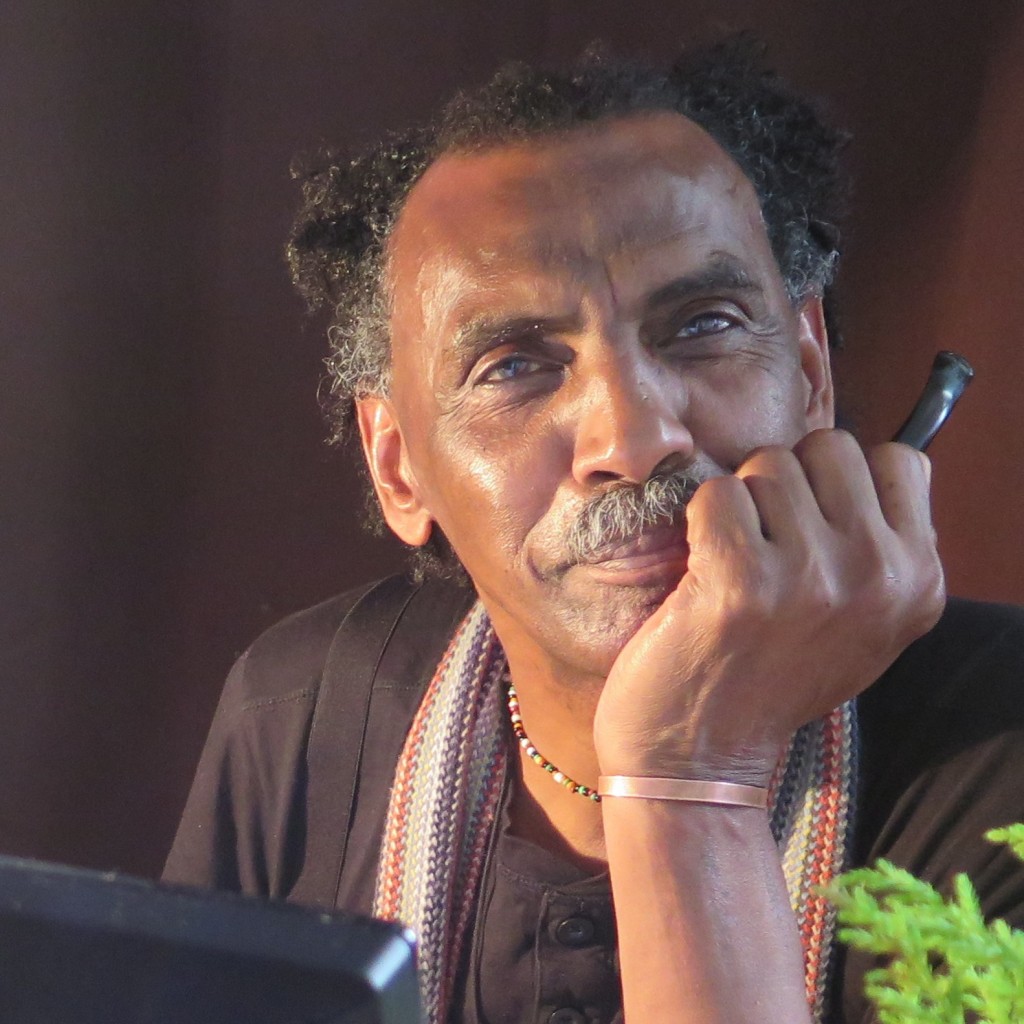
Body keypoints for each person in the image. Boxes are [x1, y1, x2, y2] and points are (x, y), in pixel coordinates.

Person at [164, 40, 1024, 1023]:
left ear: (810, 374)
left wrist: (690, 773)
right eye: (514, 365)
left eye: (701, 324)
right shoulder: (304, 719)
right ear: (398, 465)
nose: (634, 438)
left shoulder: (1003, 754)